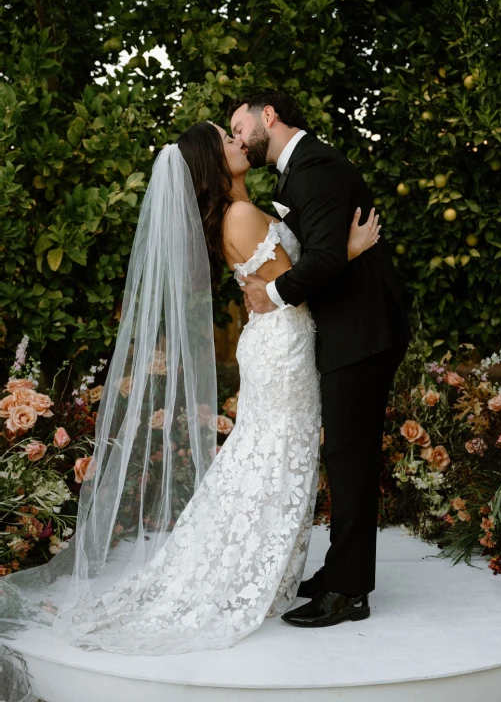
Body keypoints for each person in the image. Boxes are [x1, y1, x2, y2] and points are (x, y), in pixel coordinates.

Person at [0, 118, 379, 656]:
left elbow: (279, 284)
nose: (237, 141)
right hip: (282, 348)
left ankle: (262, 567)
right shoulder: (242, 215)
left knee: (270, 456)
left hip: (279, 342)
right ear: (212, 163)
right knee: (271, 459)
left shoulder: (244, 209)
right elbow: (301, 285)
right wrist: (353, 250)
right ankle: (234, 571)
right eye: (226, 141)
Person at [230, 89, 411, 628]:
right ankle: (338, 570)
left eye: (239, 126)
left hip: (363, 332)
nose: (238, 138)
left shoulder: (317, 167)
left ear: (269, 116)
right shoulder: (300, 169)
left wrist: (272, 295)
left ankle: (349, 592)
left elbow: (328, 258)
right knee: (344, 458)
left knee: (350, 460)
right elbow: (331, 251)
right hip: (349, 329)